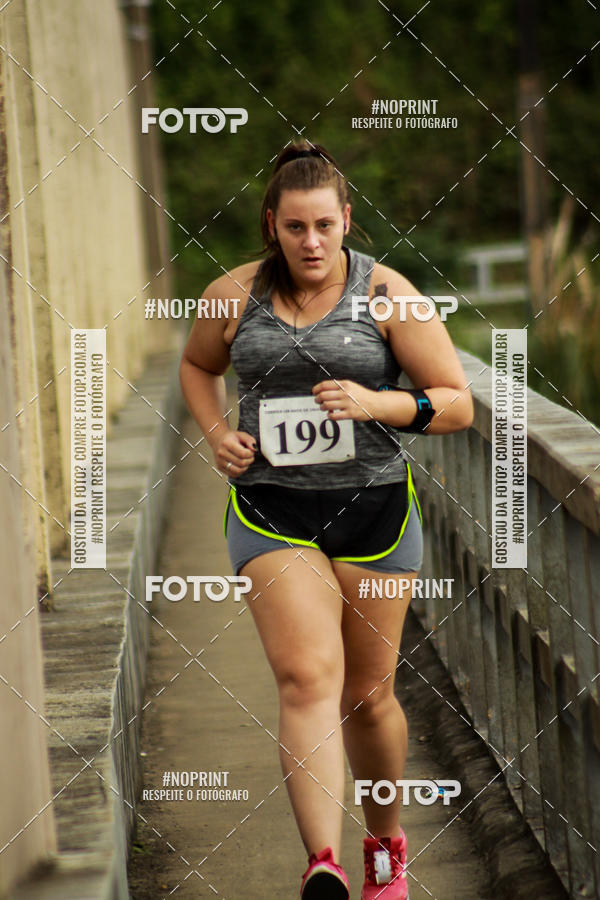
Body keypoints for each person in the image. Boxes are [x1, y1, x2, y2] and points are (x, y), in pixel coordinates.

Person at [179, 141, 473, 900]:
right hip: (273, 511)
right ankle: (324, 866)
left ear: (346, 220)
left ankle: (383, 849)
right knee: (306, 677)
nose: (311, 243)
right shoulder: (232, 294)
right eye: (295, 227)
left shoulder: (388, 294)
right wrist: (217, 434)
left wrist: (377, 403)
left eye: (324, 226)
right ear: (271, 225)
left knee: (368, 697)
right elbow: (196, 366)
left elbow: (456, 401)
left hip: (374, 510)